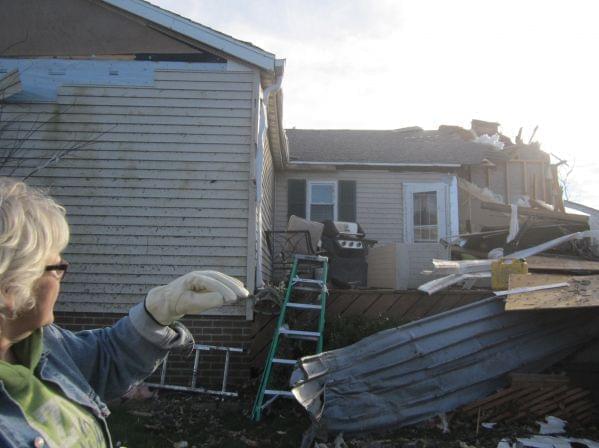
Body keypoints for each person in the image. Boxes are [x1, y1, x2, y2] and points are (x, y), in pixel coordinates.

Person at [0, 178, 249, 448]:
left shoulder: (37, 342)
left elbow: (103, 361)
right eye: (55, 267)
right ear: (9, 288)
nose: (62, 276)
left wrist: (157, 312)